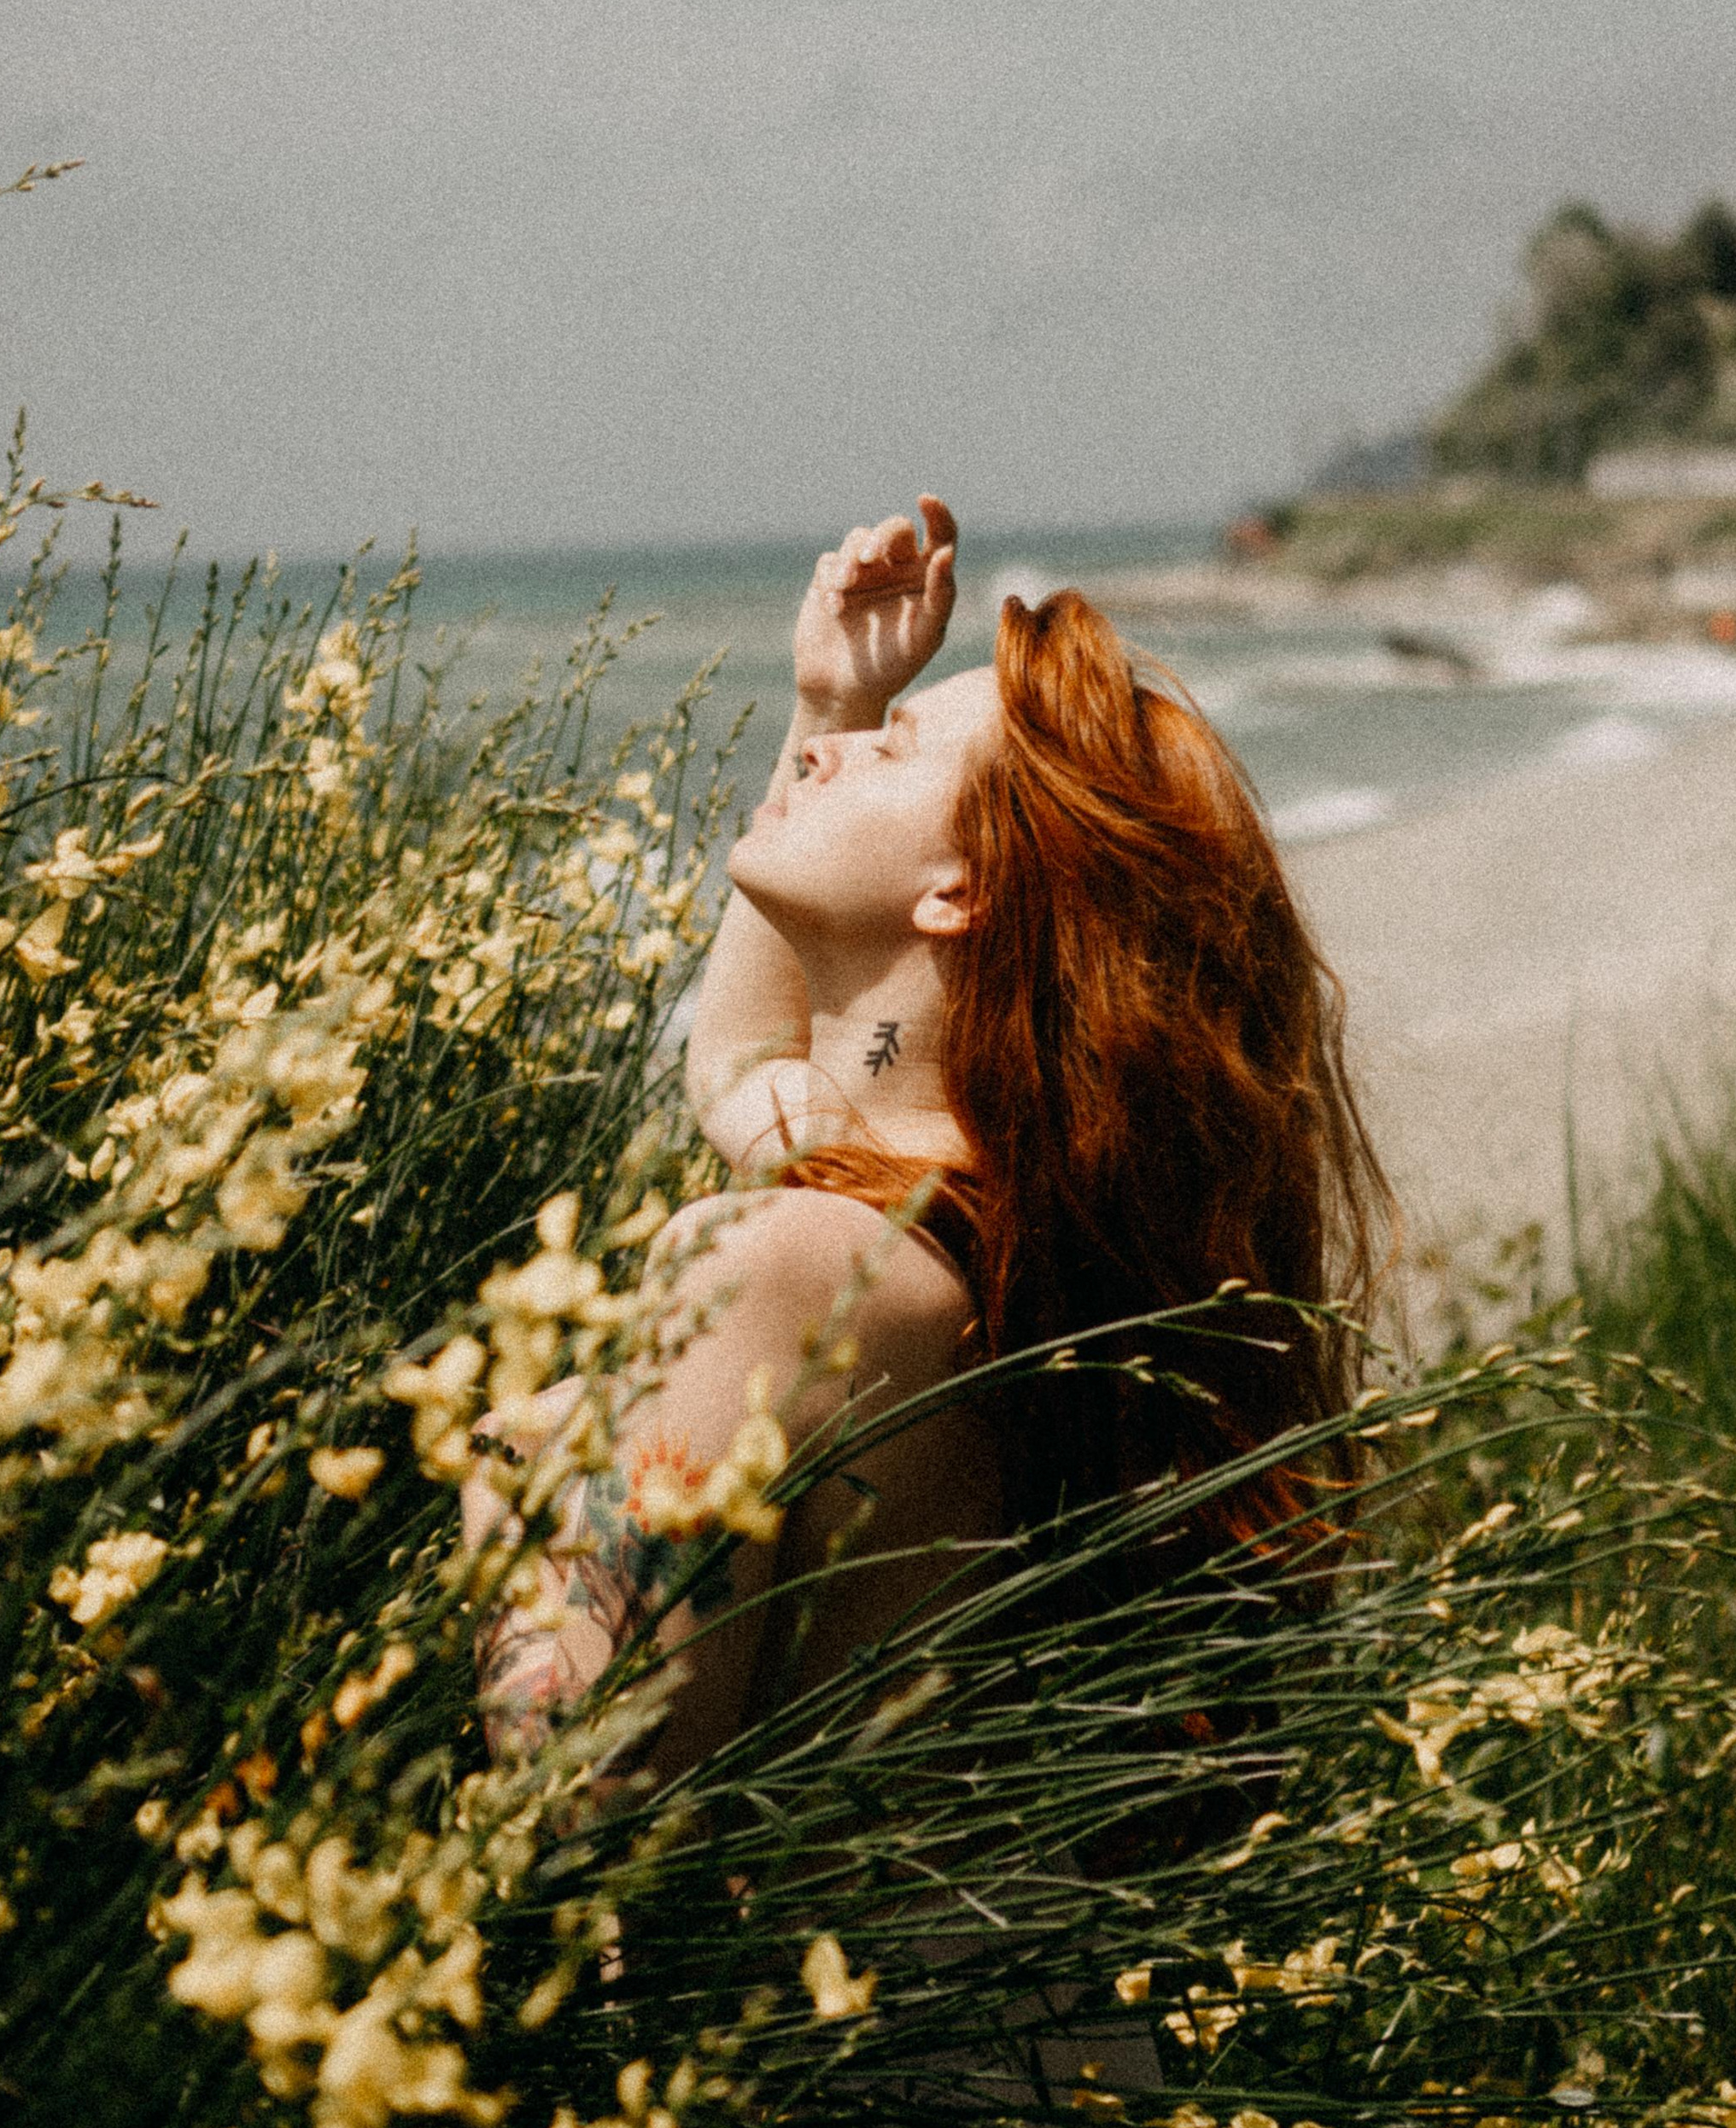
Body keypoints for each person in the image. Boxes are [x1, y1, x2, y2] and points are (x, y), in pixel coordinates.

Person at [468, 494, 1390, 1780]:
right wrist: (835, 700)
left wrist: (509, 1479)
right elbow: (739, 1067)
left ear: (962, 891)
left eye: (891, 751)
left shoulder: (778, 1262)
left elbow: (581, 1790)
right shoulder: (963, 1217)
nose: (828, 762)